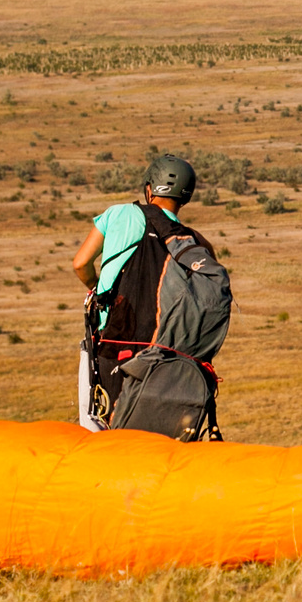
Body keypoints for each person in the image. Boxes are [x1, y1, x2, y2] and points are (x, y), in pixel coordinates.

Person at [70, 153, 201, 430]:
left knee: (96, 429)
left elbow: (80, 263)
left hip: (112, 346)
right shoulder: (190, 239)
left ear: (149, 189)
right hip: (167, 355)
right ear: (185, 197)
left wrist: (96, 288)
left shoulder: (119, 213)